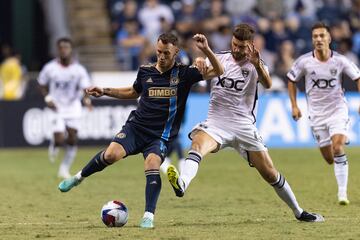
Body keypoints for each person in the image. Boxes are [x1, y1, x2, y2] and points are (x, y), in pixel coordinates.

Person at [58, 32, 224, 229]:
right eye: (159, 52)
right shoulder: (145, 71)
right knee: (111, 155)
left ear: (176, 52)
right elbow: (132, 91)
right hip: (136, 127)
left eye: (166, 53)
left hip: (160, 135)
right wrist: (104, 91)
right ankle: (78, 178)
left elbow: (219, 70)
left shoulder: (185, 74)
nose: (161, 57)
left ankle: (148, 216)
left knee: (152, 163)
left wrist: (205, 51)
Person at [167, 23, 324, 222]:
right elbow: (201, 71)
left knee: (270, 174)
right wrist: (200, 58)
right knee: (197, 145)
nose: (237, 49)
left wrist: (258, 64)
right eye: (235, 44)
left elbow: (267, 83)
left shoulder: (256, 63)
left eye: (241, 46)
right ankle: (182, 183)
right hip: (217, 123)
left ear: (250, 45)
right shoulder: (220, 58)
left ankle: (298, 211)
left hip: (244, 127)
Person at [287, 22, 360, 205]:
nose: (318, 39)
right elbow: (291, 80)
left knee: (337, 148)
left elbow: (358, 77)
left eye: (322, 36)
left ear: (329, 38)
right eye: (315, 37)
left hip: (337, 110)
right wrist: (294, 106)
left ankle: (342, 194)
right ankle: (341, 137)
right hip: (317, 115)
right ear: (312, 40)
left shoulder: (340, 61)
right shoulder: (304, 61)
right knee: (329, 159)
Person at [38, 37, 92, 178]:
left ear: (71, 50)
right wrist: (47, 98)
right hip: (56, 107)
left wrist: (86, 100)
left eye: (66, 47)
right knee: (60, 139)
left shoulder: (79, 70)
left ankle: (64, 169)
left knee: (73, 139)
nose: (64, 50)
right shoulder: (50, 68)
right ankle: (55, 144)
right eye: (61, 48)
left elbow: (85, 88)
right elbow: (42, 84)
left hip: (73, 107)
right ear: (58, 50)